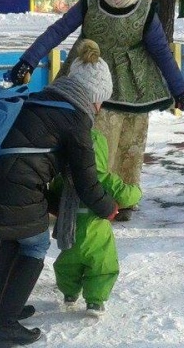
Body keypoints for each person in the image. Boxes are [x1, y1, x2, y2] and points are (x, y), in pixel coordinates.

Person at [0, 39, 118, 348]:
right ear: (93, 97)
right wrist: (107, 208)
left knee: (18, 235)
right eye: (101, 101)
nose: (99, 109)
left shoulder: (40, 98)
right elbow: (86, 182)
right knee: (35, 243)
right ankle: (6, 325)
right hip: (6, 183)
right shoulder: (75, 120)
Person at [6, 0, 184, 221]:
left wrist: (179, 88)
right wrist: (28, 60)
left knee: (129, 144)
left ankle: (124, 199)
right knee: (92, 141)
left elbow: (161, 50)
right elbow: (58, 30)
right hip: (89, 79)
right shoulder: (90, 2)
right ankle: (79, 194)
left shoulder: (145, 10)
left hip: (133, 84)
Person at [52, 128, 142, 316]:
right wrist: (137, 191)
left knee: (67, 263)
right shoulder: (104, 178)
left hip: (69, 229)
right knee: (102, 265)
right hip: (97, 230)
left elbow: (53, 196)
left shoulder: (64, 178)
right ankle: (95, 301)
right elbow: (127, 196)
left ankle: (69, 292)